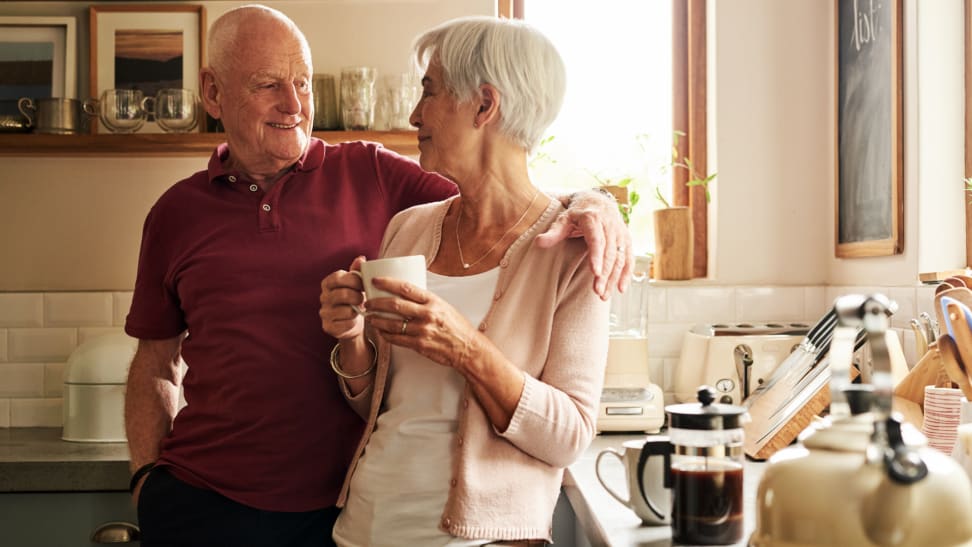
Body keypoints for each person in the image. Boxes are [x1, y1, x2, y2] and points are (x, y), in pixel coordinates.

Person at [124, 5, 627, 547]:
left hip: (333, 508)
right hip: (216, 507)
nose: (293, 104)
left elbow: (507, 200)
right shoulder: (176, 214)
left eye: (302, 83)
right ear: (213, 93)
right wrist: (146, 482)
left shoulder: (373, 176)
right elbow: (155, 363)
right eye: (269, 84)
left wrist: (596, 203)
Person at [319, 16, 609, 546]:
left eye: (428, 91)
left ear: (484, 105)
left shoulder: (573, 251)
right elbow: (381, 404)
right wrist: (351, 340)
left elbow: (569, 435)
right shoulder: (409, 228)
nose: (413, 114)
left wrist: (467, 349)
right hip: (363, 528)